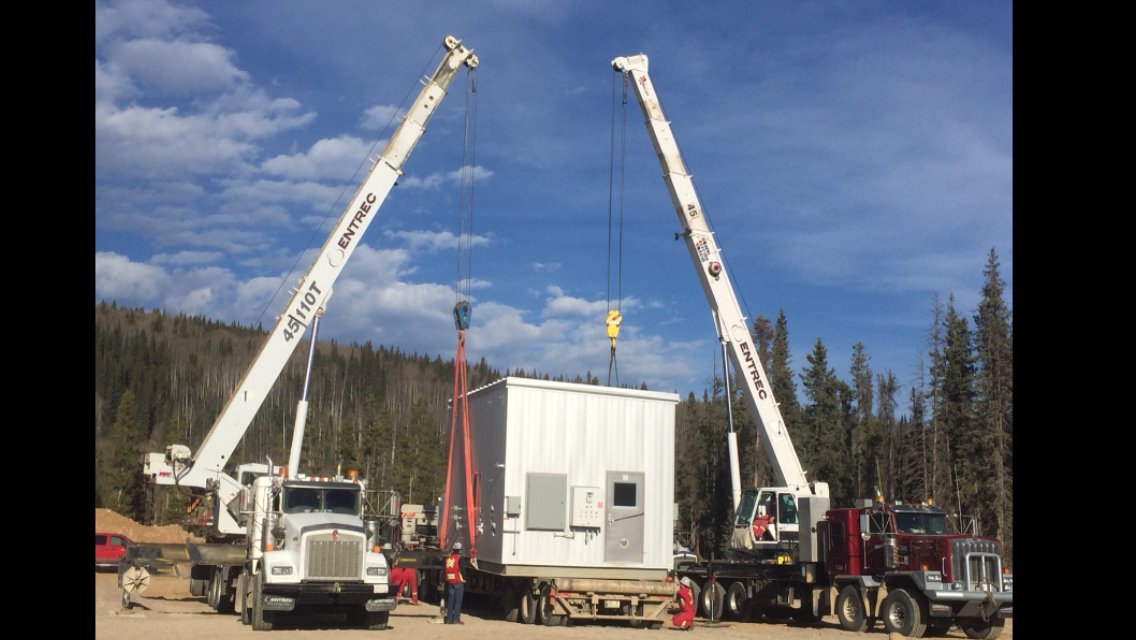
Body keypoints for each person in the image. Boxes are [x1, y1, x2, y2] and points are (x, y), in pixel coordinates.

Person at [443, 541, 466, 624]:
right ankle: (456, 619)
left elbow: (444, 570)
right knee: (458, 601)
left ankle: (449, 619)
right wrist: (465, 578)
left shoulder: (448, 558)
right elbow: (462, 570)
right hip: (458, 581)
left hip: (449, 581)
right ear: (460, 550)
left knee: (450, 600)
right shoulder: (460, 558)